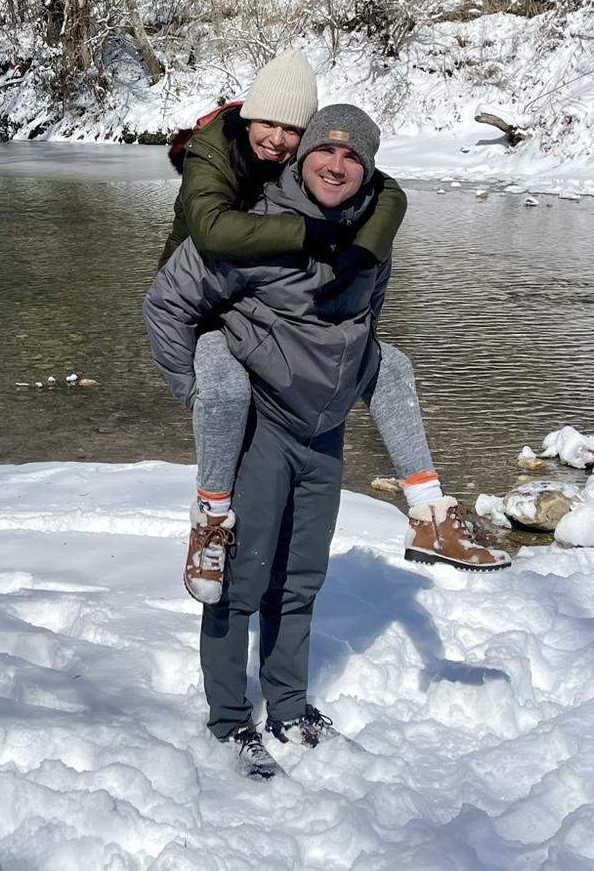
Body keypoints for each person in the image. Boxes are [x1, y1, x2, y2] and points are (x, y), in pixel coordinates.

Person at [159, 51, 506, 598]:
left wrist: (364, 255)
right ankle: (211, 519)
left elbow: (386, 193)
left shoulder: (330, 182)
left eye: (292, 130)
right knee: (222, 389)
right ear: (247, 117)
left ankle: (429, 512)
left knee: (390, 365)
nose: (277, 140)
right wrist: (191, 391)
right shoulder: (215, 153)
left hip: (260, 292)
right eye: (268, 123)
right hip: (206, 301)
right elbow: (211, 235)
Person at [145, 106, 423, 776]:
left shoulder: (370, 236)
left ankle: (289, 706)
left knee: (300, 578)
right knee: (238, 579)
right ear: (301, 158)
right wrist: (200, 394)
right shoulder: (256, 228)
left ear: (369, 169)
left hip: (322, 433)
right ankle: (228, 719)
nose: (337, 165)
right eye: (325, 150)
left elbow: (367, 320)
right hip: (260, 428)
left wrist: (349, 381)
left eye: (353, 156)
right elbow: (166, 305)